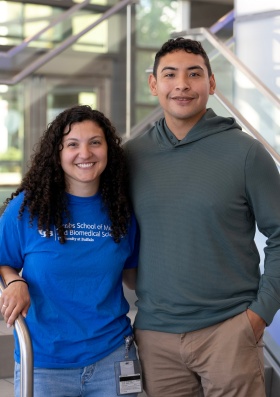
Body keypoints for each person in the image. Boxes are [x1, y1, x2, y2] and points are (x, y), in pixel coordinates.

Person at [124, 37, 280, 397]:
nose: (182, 84)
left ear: (211, 83)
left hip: (230, 331)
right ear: (153, 84)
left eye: (194, 74)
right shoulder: (131, 155)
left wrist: (259, 315)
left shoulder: (246, 153)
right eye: (170, 74)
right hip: (155, 336)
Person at [0, 104, 140, 397]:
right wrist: (14, 280)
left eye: (95, 143)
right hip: (44, 363)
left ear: (108, 150)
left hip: (112, 356)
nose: (85, 154)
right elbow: (3, 260)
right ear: (58, 153)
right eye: (72, 144)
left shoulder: (121, 212)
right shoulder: (27, 209)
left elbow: (134, 278)